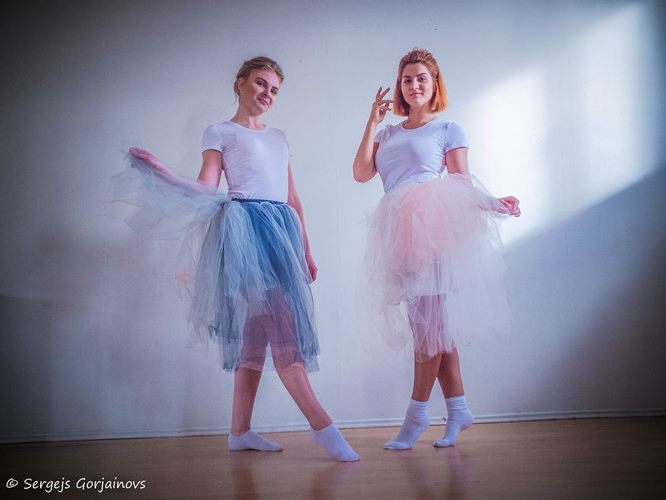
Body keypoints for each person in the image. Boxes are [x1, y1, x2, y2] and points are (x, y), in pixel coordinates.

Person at [122, 56, 359, 462]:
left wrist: (305, 249)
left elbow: (292, 197)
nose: (268, 93)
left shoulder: (279, 137)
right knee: (283, 330)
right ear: (241, 83)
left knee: (257, 335)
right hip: (246, 234)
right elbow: (205, 188)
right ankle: (323, 428)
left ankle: (240, 431)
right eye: (261, 83)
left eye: (274, 89)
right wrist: (161, 171)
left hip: (281, 234)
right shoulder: (220, 131)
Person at [352, 48, 520, 450]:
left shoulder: (448, 129)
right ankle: (459, 409)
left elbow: (461, 181)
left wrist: (492, 202)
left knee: (428, 325)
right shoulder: (388, 134)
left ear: (434, 84)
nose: (414, 85)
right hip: (397, 231)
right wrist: (372, 121)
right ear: (399, 86)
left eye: (421, 78)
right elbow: (360, 173)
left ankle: (416, 416)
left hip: (432, 228)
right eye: (407, 79)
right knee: (430, 326)